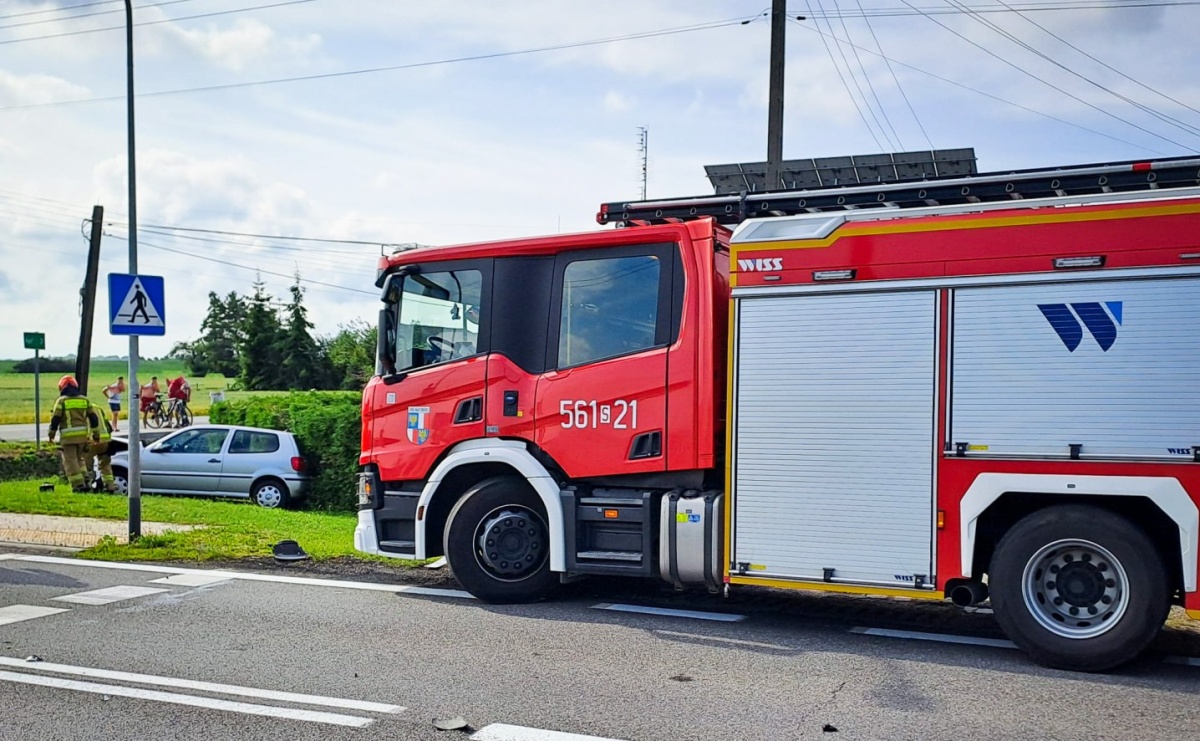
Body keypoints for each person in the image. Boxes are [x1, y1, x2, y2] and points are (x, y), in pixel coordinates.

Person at [47, 375, 101, 492]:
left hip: (68, 438)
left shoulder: (61, 401)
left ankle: (78, 485)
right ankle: (85, 480)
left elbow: (55, 419)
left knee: (70, 461)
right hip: (82, 437)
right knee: (79, 459)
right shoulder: (85, 400)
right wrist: (96, 436)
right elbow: (94, 419)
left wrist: (51, 435)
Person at [82, 406, 117, 493]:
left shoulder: (81, 408)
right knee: (105, 465)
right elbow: (108, 426)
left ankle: (88, 486)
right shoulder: (98, 407)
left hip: (91, 441)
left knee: (86, 465)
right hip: (105, 441)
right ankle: (110, 487)